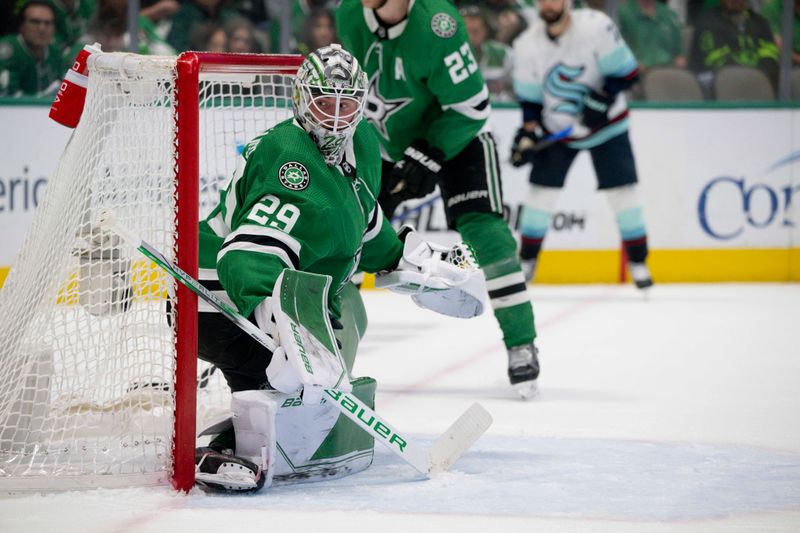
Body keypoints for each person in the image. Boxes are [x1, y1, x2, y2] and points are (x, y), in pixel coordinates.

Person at [192, 44, 483, 492]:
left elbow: (360, 225)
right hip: (218, 298)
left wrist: (410, 261)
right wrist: (277, 315)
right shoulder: (289, 157)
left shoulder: (363, 141)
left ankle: (267, 416)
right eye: (323, 102)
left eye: (346, 103)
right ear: (300, 99)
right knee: (295, 374)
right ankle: (228, 447)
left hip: (273, 289)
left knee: (348, 314)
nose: (334, 116)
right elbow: (249, 253)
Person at [336, 0, 541, 397]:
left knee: (488, 233)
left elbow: (472, 107)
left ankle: (521, 341)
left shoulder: (438, 24)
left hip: (457, 136)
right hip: (383, 142)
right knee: (348, 235)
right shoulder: (348, 13)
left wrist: (430, 153)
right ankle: (330, 349)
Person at [510, 0, 655, 289]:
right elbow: (530, 102)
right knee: (540, 196)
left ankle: (638, 260)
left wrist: (601, 99)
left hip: (608, 127)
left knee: (622, 193)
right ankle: (527, 260)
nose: (547, 4)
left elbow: (627, 73)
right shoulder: (525, 44)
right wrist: (527, 134)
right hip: (559, 130)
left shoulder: (596, 26)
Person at [688, 0, 780, 89]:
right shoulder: (706, 23)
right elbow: (720, 62)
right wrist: (752, 77)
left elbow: (770, 57)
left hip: (758, 86)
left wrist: (759, 77)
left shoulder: (760, 22)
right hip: (719, 92)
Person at [0, 0, 64, 97]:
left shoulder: (55, 51)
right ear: (21, 26)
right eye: (35, 22)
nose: (42, 28)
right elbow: (7, 94)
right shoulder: (8, 49)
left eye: (48, 23)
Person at [461, 4, 515, 102]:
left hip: (501, 111)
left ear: (486, 31)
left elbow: (518, 87)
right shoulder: (448, 57)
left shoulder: (502, 54)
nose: (470, 37)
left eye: (475, 31)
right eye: (465, 31)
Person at [619, 0, 687, 70]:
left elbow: (680, 56)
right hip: (637, 74)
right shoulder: (622, 15)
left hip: (668, 71)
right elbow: (619, 55)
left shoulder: (670, 15)